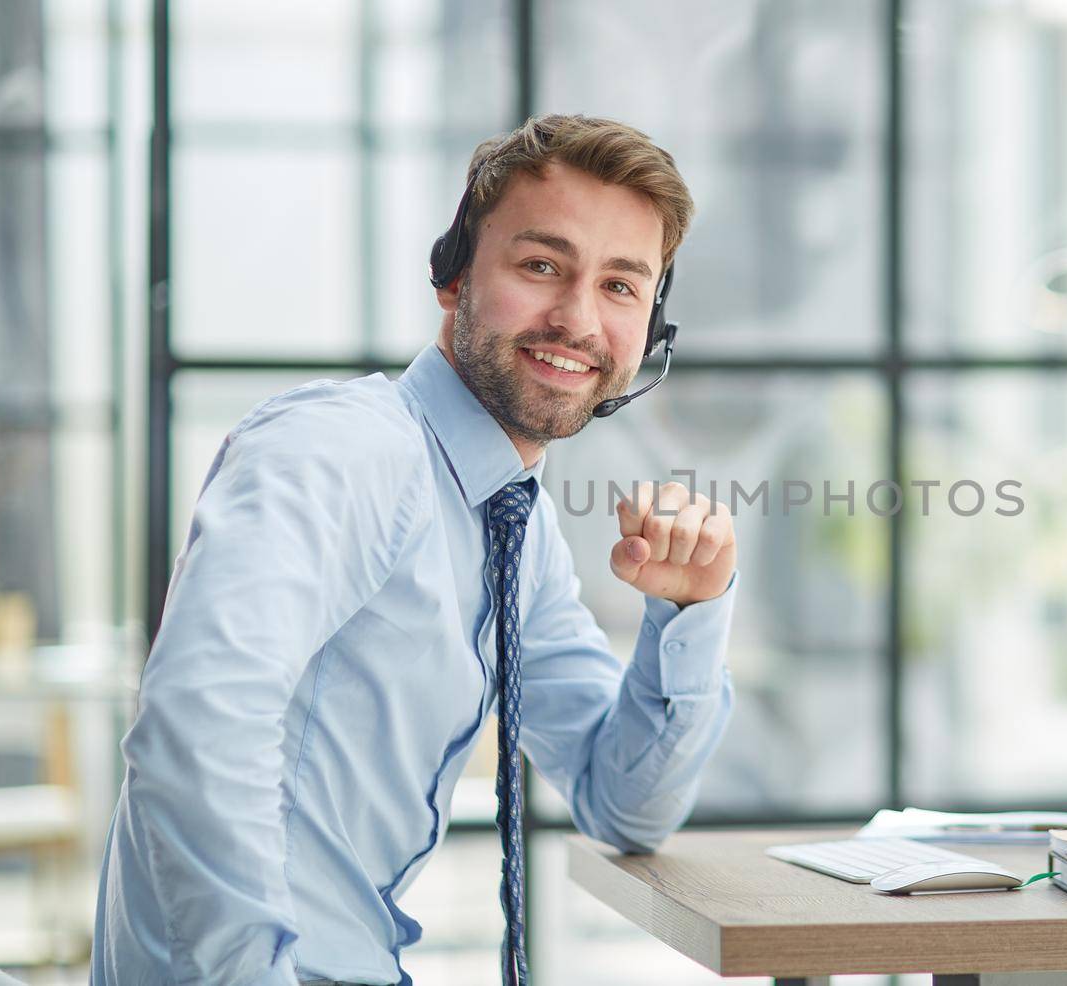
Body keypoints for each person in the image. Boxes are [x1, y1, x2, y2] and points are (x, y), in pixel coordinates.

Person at [91, 114, 737, 986]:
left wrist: (691, 611)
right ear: (454, 275)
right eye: (541, 265)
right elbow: (197, 725)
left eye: (622, 286)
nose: (578, 318)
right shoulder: (343, 448)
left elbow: (623, 800)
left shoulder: (512, 521)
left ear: (649, 329)